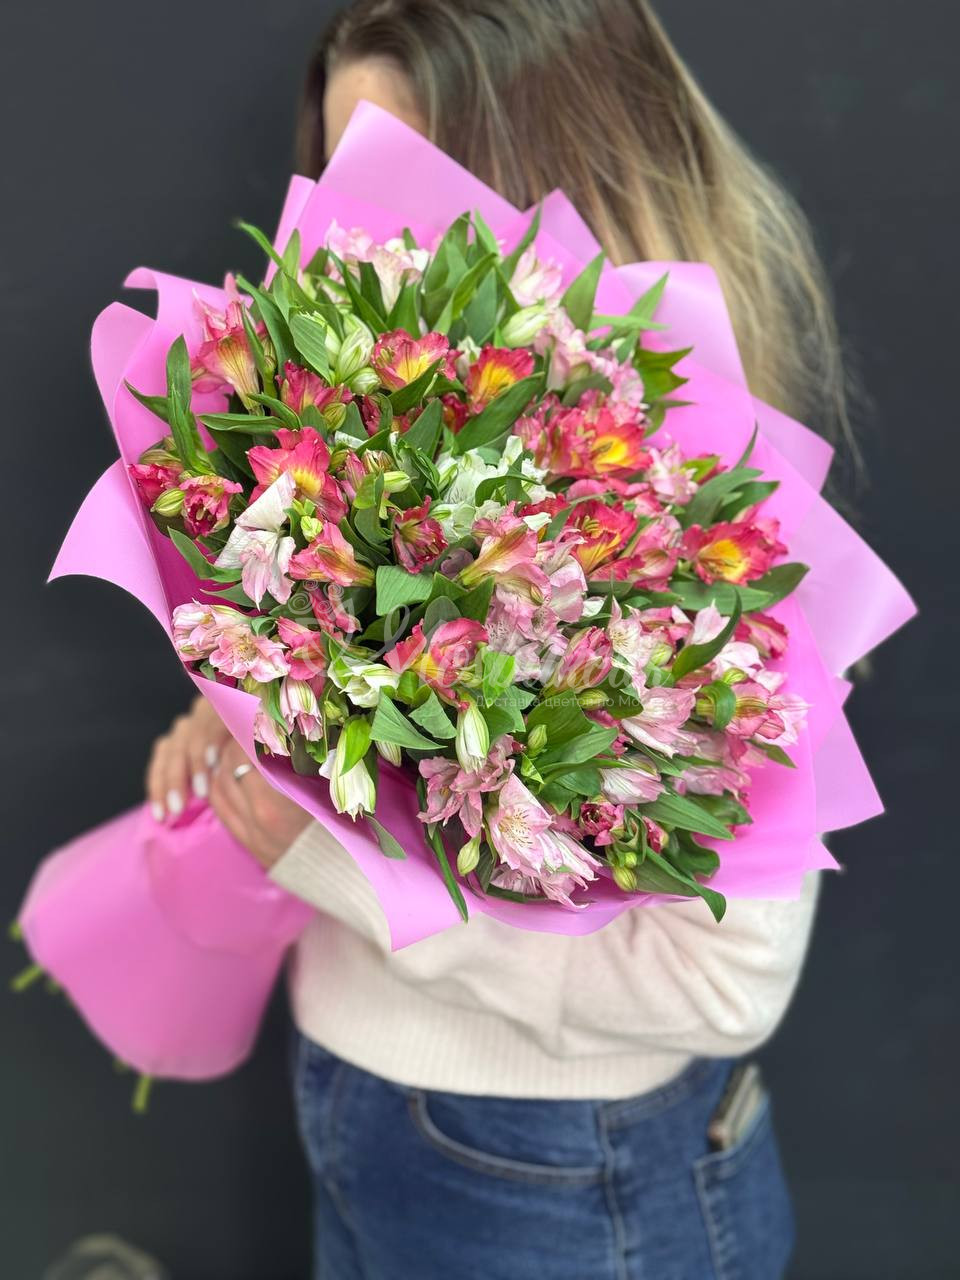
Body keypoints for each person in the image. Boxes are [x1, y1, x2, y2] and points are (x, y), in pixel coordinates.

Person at [146, 3, 846, 1276]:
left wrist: (337, 866)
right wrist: (260, 707)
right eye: (339, 177)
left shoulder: (701, 524)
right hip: (362, 1104)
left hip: (563, 1172)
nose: (358, 235)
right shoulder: (377, 443)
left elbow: (725, 985)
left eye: (411, 179)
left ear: (569, 179)